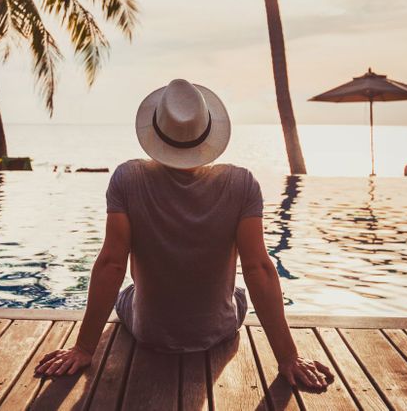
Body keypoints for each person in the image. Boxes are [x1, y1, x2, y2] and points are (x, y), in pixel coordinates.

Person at [35, 79, 334, 389]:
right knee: (239, 294)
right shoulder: (242, 184)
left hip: (148, 331)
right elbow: (258, 268)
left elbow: (112, 264)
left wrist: (83, 348)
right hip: (217, 330)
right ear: (208, 133)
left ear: (155, 131)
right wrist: (288, 357)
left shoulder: (128, 178)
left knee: (128, 292)